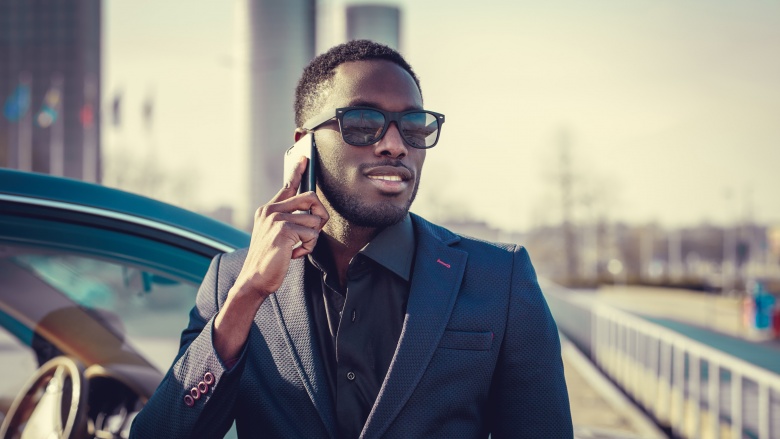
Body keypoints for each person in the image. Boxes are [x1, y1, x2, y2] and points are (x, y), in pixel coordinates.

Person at [130, 40, 572, 439]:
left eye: (414, 125)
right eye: (363, 122)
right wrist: (248, 296)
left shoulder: (499, 280)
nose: (395, 145)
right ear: (305, 147)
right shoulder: (232, 282)